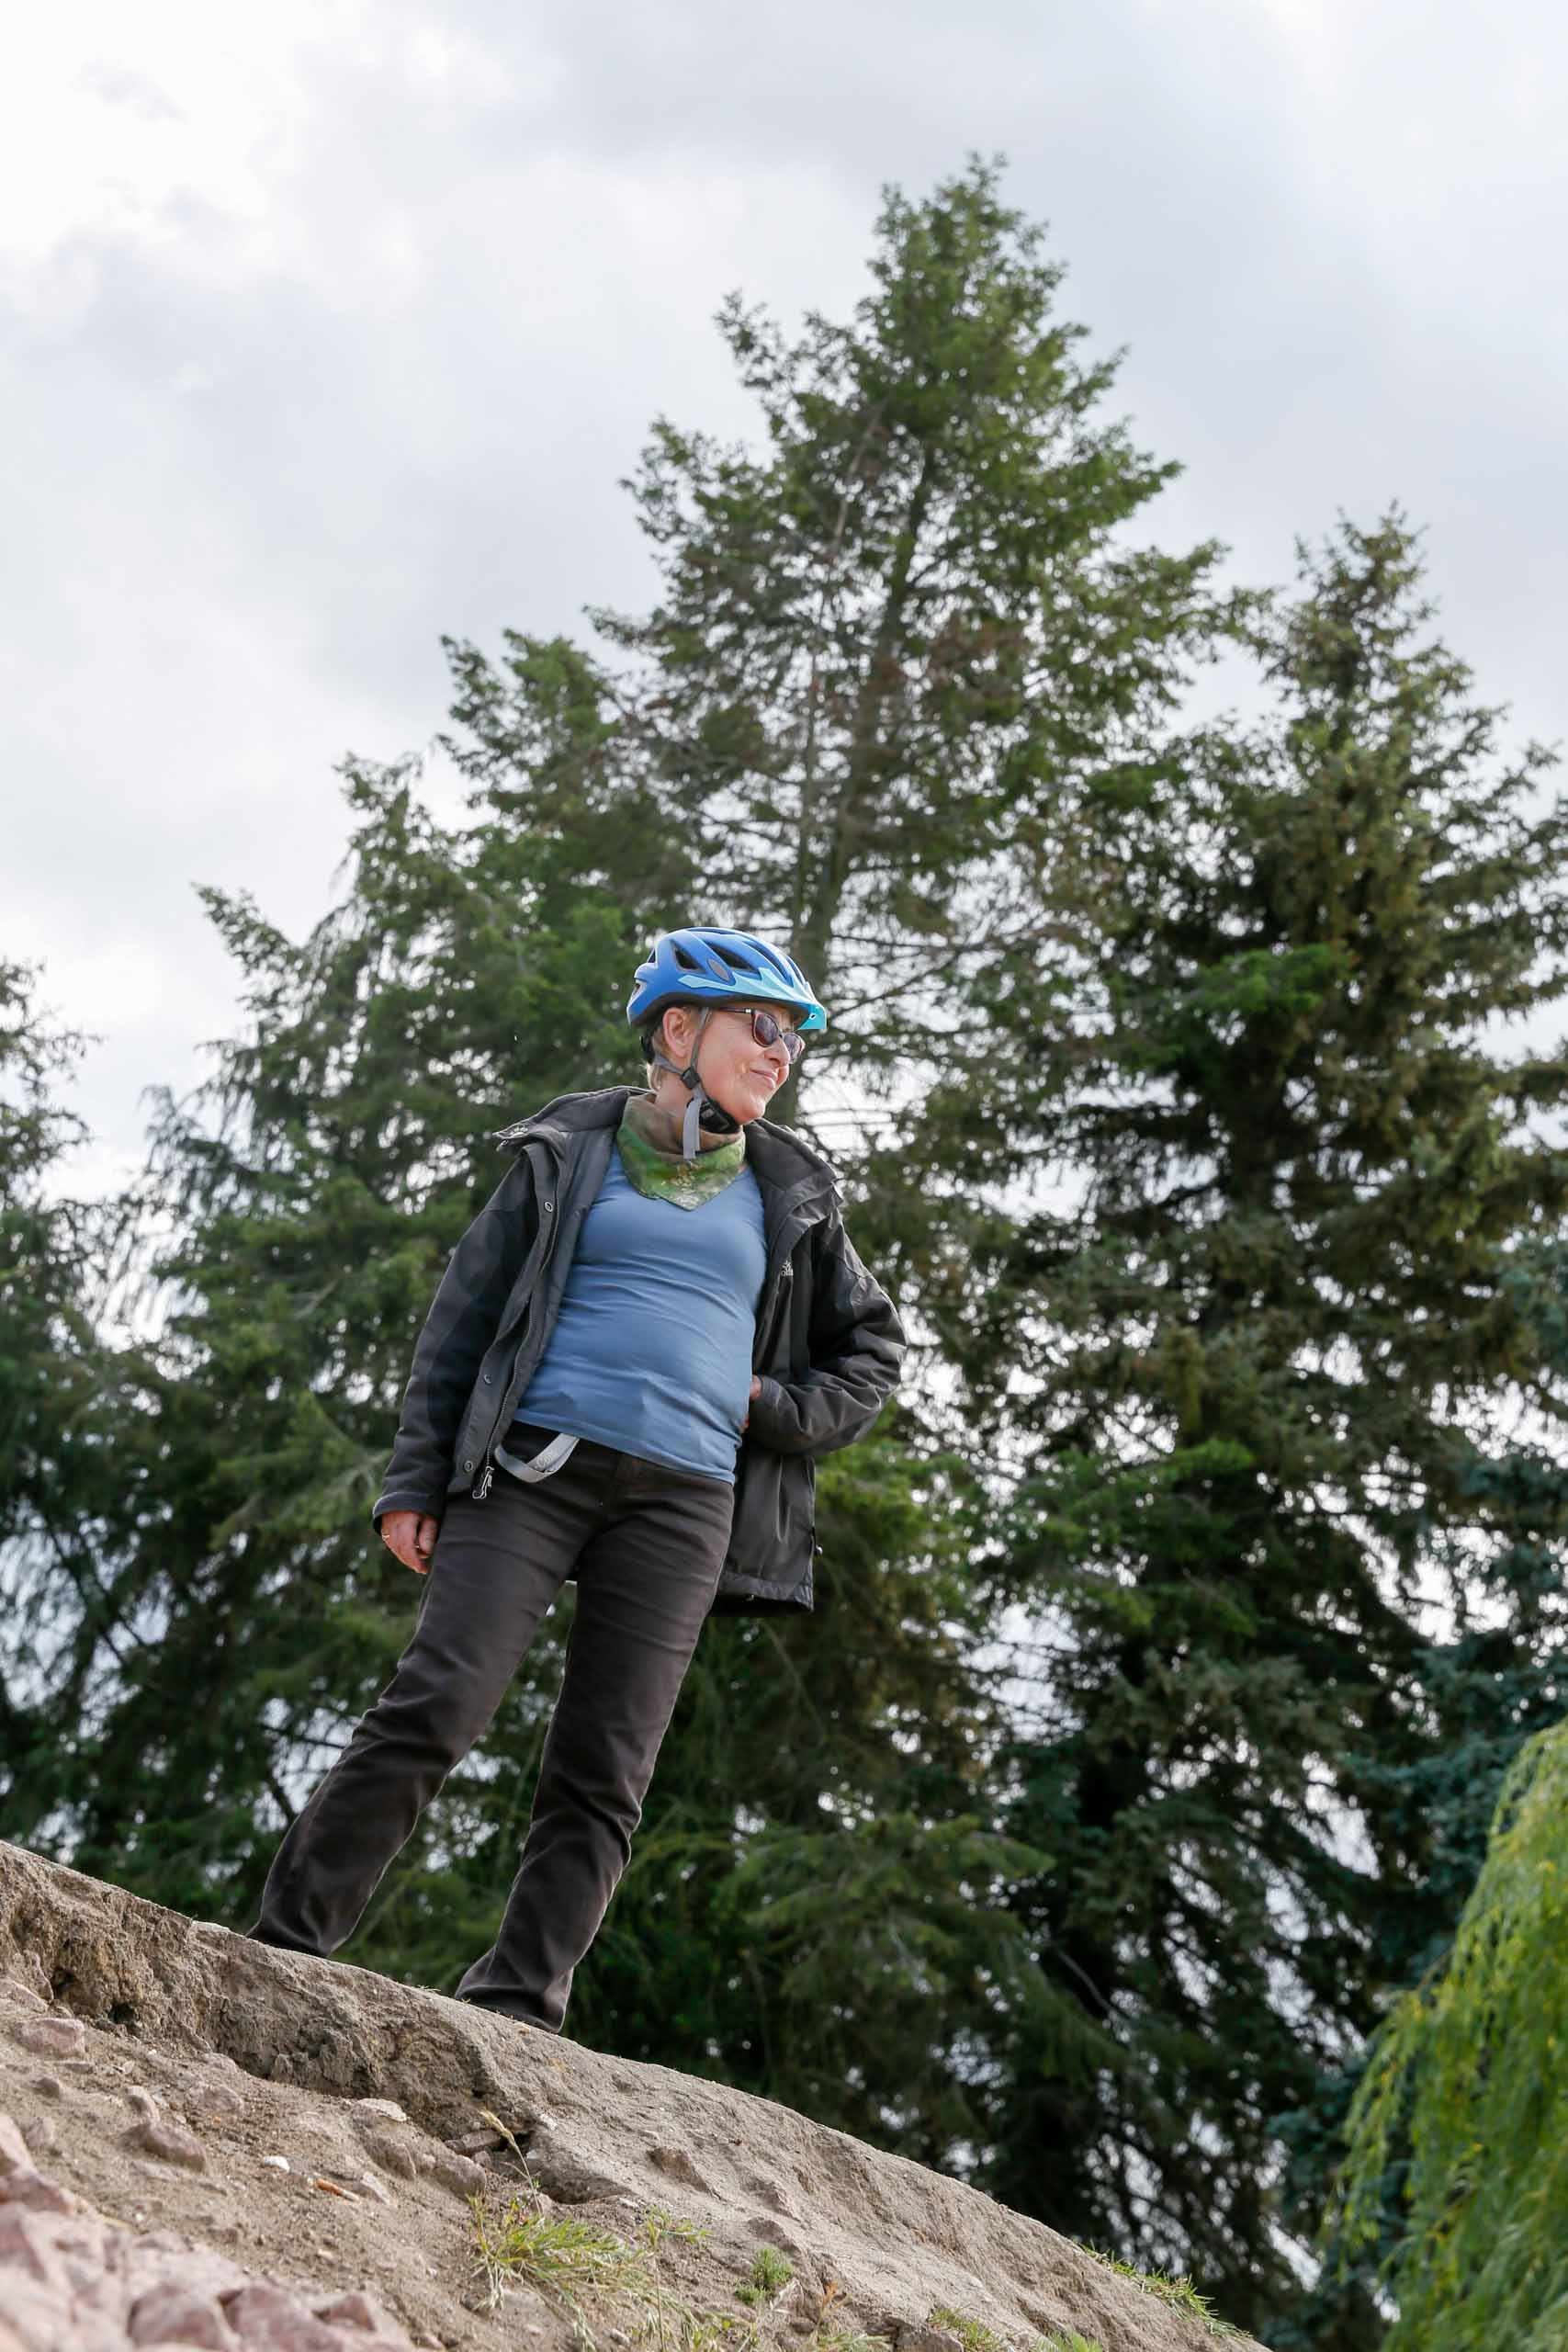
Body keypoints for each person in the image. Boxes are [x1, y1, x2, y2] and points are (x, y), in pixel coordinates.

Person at [247, 925, 906, 2030]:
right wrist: (414, 1479)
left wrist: (772, 1407)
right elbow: (461, 1322)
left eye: (794, 1038)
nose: (781, 1052)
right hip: (531, 1470)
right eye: (763, 1025)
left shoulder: (792, 1189)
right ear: (678, 1029)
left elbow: (872, 1352)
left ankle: (515, 2012)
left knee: (605, 1771)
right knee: (437, 1704)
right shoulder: (572, 1149)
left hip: (687, 1503)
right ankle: (283, 1947)